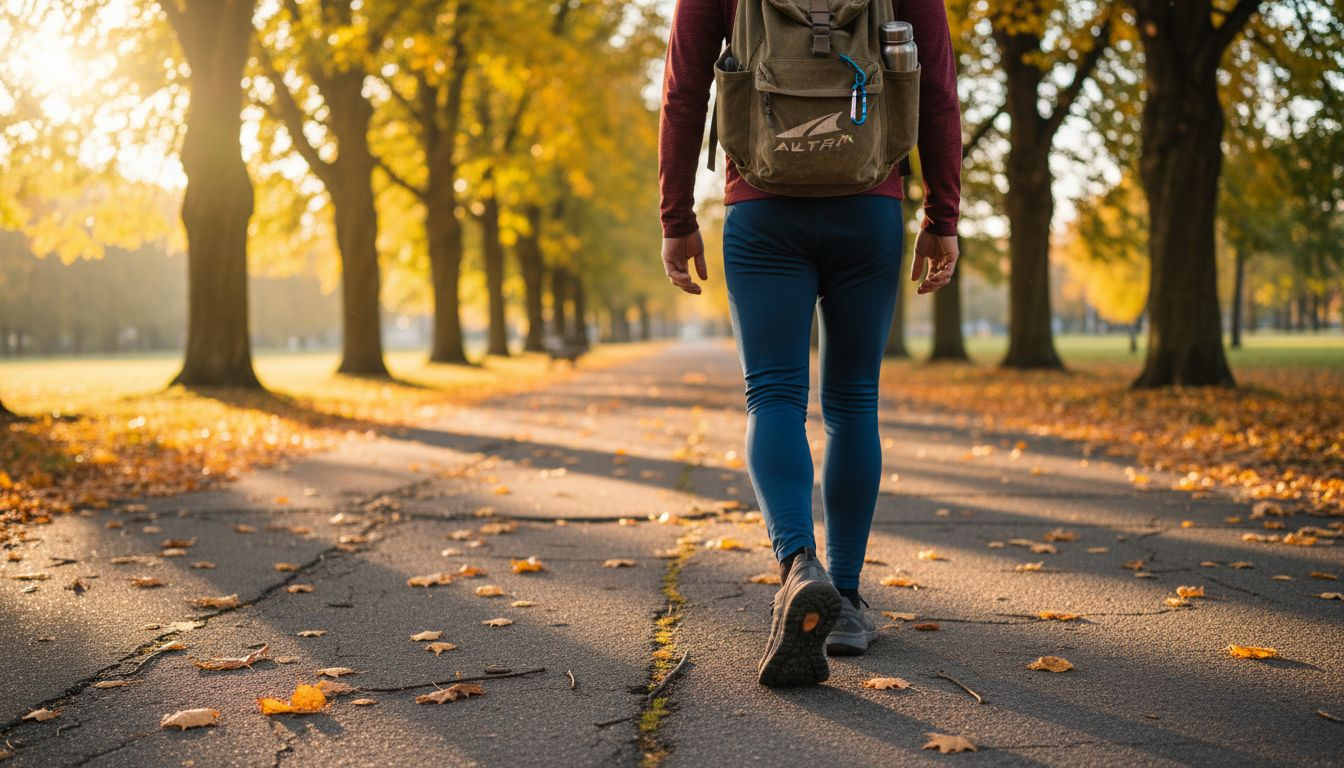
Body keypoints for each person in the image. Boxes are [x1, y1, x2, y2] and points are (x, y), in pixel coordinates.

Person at [658, 0, 963, 687]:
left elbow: (684, 89)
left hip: (761, 206)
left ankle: (799, 567)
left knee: (772, 396)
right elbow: (938, 90)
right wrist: (942, 216)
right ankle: (846, 602)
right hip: (869, 204)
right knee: (853, 402)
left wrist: (677, 217)